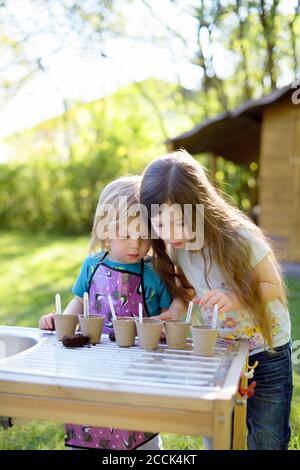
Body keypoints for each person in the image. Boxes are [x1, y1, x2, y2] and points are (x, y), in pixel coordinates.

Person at [139, 150, 293, 450]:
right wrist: (176, 308)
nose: (169, 234)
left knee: (267, 435)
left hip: (266, 350)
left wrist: (236, 296)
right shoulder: (178, 247)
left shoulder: (240, 237)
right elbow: (189, 292)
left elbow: (273, 286)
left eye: (178, 222)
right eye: (159, 223)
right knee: (221, 430)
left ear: (201, 207)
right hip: (219, 351)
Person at [39, 175, 178, 450]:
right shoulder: (91, 266)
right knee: (89, 416)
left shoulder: (154, 274)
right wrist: (59, 321)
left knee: (137, 422)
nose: (135, 245)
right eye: (126, 235)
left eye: (143, 236)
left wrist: (161, 329)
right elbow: (78, 303)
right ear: (105, 231)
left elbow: (169, 318)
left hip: (138, 366)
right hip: (92, 365)